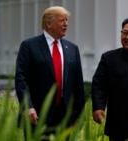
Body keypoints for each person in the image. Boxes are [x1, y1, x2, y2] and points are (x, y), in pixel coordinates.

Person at [15, 6, 85, 140]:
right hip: (37, 115)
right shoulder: (29, 46)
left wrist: (78, 115)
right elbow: (21, 78)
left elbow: (78, 84)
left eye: (67, 20)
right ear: (48, 23)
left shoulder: (72, 48)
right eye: (61, 21)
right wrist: (28, 107)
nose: (66, 24)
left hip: (64, 117)